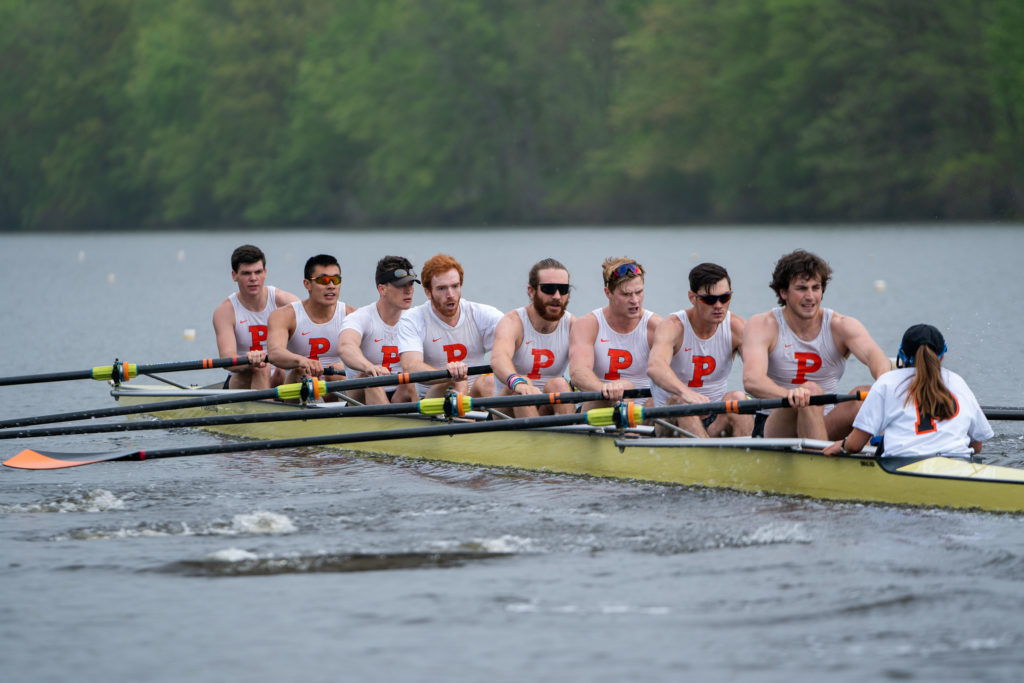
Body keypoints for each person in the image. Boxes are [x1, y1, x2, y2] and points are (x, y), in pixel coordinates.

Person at [742, 249, 891, 440]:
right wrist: (791, 395)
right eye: (802, 288)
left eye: (816, 288)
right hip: (776, 425)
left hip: (824, 423)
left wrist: (883, 383)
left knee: (866, 394)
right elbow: (752, 380)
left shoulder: (841, 325)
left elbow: (875, 357)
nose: (810, 296)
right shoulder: (763, 325)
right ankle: (822, 461)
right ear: (783, 292)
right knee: (810, 392)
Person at [824, 324, 993, 458]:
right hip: (957, 464)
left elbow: (854, 446)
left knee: (875, 441)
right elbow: (976, 447)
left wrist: (841, 446)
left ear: (901, 357)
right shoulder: (957, 382)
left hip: (902, 466)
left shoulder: (887, 382)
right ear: (941, 356)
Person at [648, 263, 752, 437]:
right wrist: (686, 393)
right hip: (669, 421)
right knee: (681, 403)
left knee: (739, 398)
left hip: (713, 419)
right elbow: (655, 367)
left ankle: (744, 458)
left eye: (725, 298)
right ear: (692, 297)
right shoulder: (673, 327)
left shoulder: (737, 328)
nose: (718, 305)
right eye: (710, 300)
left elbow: (760, 372)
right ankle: (711, 458)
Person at [396, 254, 503, 398]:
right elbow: (411, 366)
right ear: (428, 292)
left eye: (455, 286)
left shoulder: (481, 314)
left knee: (490, 381)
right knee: (456, 381)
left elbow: (515, 341)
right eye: (442, 288)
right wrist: (448, 374)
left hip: (474, 398)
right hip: (433, 399)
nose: (450, 294)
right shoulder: (412, 319)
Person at [569, 257, 661, 411]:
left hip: (644, 413)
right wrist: (607, 390)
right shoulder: (588, 324)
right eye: (626, 295)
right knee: (625, 387)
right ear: (608, 293)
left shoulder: (656, 326)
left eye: (639, 292)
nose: (635, 300)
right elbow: (578, 372)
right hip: (598, 409)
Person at [491, 258, 575, 418]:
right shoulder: (513, 322)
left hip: (545, 407)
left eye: (563, 289)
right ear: (531, 291)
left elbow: (584, 368)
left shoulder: (573, 325)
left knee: (560, 384)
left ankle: (568, 435)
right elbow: (498, 359)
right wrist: (518, 383)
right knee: (522, 386)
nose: (557, 296)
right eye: (549, 289)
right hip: (505, 411)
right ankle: (537, 440)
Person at [212, 244, 299, 389]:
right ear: (234, 276)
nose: (253, 278)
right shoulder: (225, 311)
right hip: (242, 378)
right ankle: (270, 409)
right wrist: (248, 360)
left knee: (292, 369)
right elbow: (227, 359)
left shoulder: (285, 301)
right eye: (246, 273)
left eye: (258, 272)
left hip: (280, 377)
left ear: (265, 272)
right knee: (261, 368)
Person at [338, 256, 421, 405]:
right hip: (360, 397)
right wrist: (369, 367)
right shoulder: (360, 318)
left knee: (410, 381)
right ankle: (391, 424)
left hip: (399, 395)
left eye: (411, 284)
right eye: (401, 285)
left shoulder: (415, 319)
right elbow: (345, 347)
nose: (409, 290)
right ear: (382, 289)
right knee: (371, 378)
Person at [267, 254, 356, 386]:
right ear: (307, 284)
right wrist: (301, 361)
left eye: (335, 280)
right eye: (324, 280)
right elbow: (275, 353)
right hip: (299, 386)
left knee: (337, 371)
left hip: (337, 385)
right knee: (301, 370)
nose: (331, 286)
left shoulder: (352, 315)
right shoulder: (284, 315)